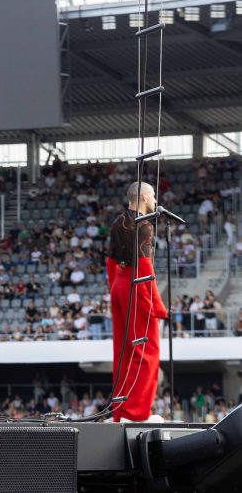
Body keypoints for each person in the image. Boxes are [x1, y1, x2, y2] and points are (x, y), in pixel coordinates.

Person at [106, 181, 168, 423]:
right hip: (136, 285)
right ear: (143, 197)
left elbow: (111, 262)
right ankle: (136, 413)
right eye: (152, 195)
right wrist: (158, 305)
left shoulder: (116, 222)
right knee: (145, 352)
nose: (155, 200)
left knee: (124, 352)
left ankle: (121, 412)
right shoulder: (144, 225)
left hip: (120, 284)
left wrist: (115, 290)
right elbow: (145, 267)